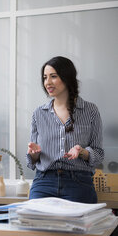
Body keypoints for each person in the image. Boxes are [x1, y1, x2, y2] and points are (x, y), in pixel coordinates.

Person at [27, 56, 104, 204]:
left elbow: (99, 154)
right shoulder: (39, 113)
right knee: (36, 225)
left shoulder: (90, 110)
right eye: (45, 77)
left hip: (79, 183)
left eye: (53, 76)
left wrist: (82, 152)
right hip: (44, 182)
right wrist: (34, 154)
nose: (47, 82)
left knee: (78, 227)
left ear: (67, 77)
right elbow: (33, 161)